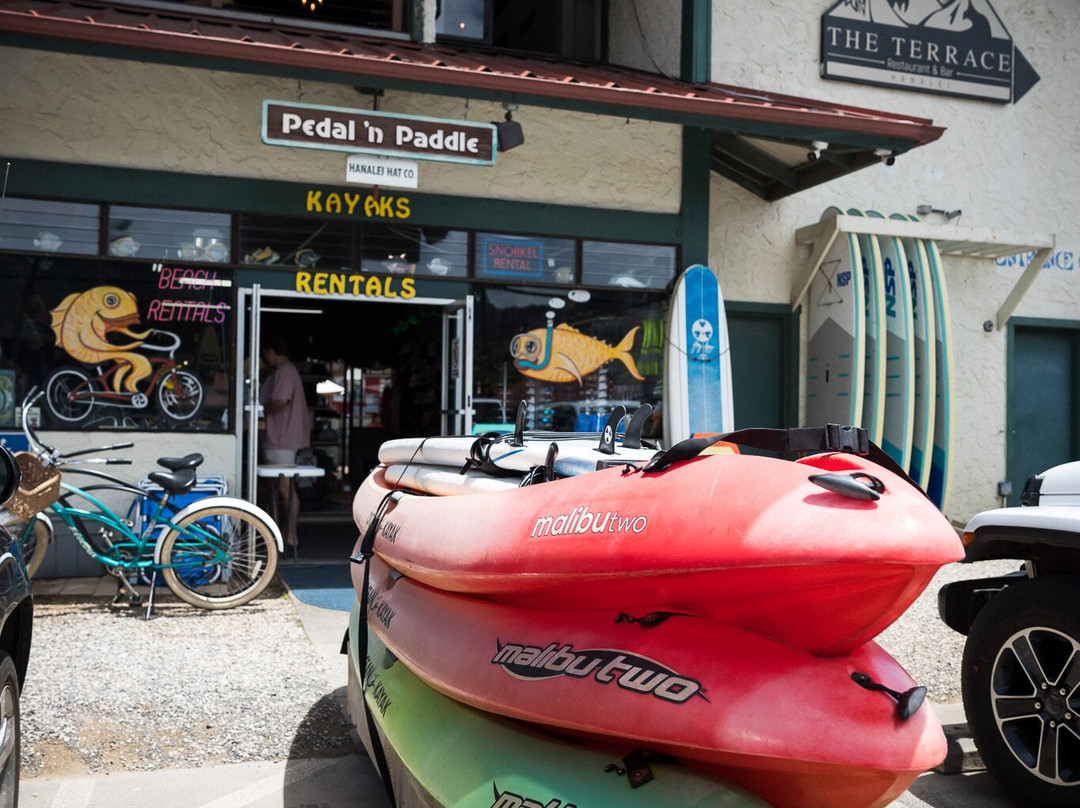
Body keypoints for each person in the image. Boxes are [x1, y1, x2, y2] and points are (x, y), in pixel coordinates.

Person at [260, 338, 310, 546]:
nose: (265, 359)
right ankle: (283, 532)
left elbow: (280, 401)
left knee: (285, 486)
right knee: (280, 486)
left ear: (271, 351)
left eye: (265, 354)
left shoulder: (285, 371)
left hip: (283, 438)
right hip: (280, 437)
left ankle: (290, 535)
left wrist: (261, 410)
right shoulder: (286, 371)